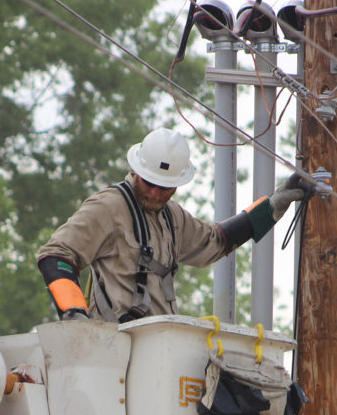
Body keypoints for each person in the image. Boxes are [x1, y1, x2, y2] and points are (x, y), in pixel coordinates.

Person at [37, 127, 307, 322]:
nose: (156, 193)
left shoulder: (172, 217)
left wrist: (273, 205)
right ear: (136, 171)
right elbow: (55, 256)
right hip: (113, 350)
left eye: (165, 187)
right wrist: (75, 315)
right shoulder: (109, 207)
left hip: (158, 347)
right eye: (149, 183)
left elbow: (216, 241)